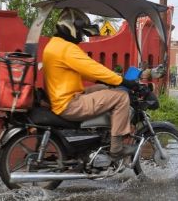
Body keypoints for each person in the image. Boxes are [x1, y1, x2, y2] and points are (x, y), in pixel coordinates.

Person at [42, 8, 139, 160]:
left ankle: (102, 134)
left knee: (105, 88)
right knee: (121, 97)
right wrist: (123, 81)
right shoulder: (66, 49)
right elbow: (93, 68)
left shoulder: (54, 45)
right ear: (70, 28)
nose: (81, 37)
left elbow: (86, 71)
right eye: (80, 32)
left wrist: (108, 80)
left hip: (63, 97)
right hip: (69, 103)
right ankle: (117, 148)